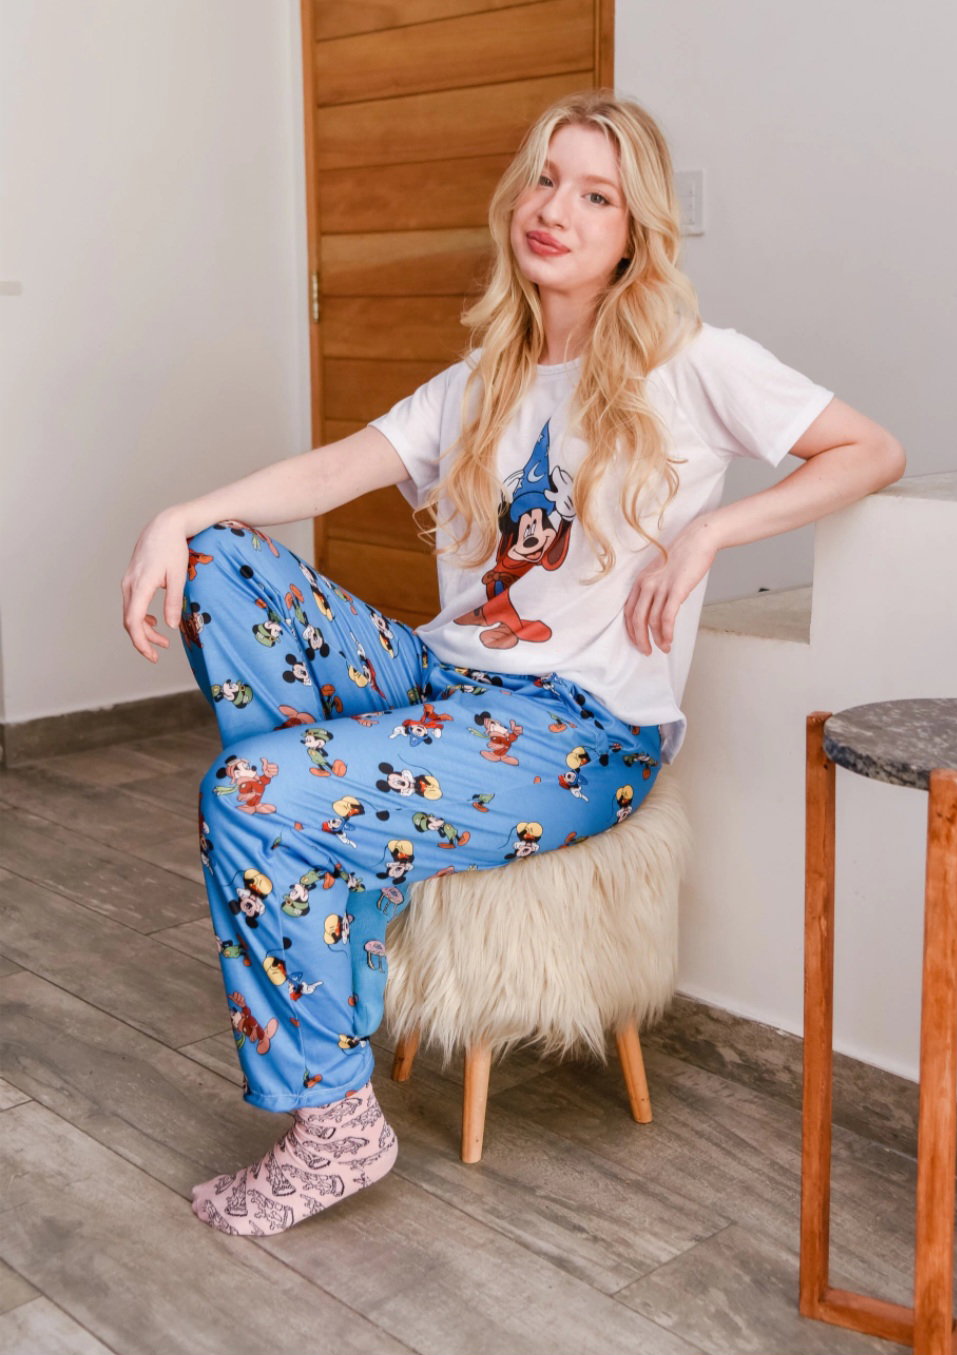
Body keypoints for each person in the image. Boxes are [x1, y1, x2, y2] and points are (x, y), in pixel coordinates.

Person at [121, 88, 905, 1237]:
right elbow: (335, 468)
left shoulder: (694, 363)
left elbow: (869, 450)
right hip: (446, 682)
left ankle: (334, 1124)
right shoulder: (483, 377)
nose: (557, 209)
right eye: (545, 179)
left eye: (596, 196)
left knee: (248, 794)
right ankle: (337, 855)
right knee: (218, 561)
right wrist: (176, 516)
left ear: (634, 232)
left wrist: (709, 534)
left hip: (580, 730)